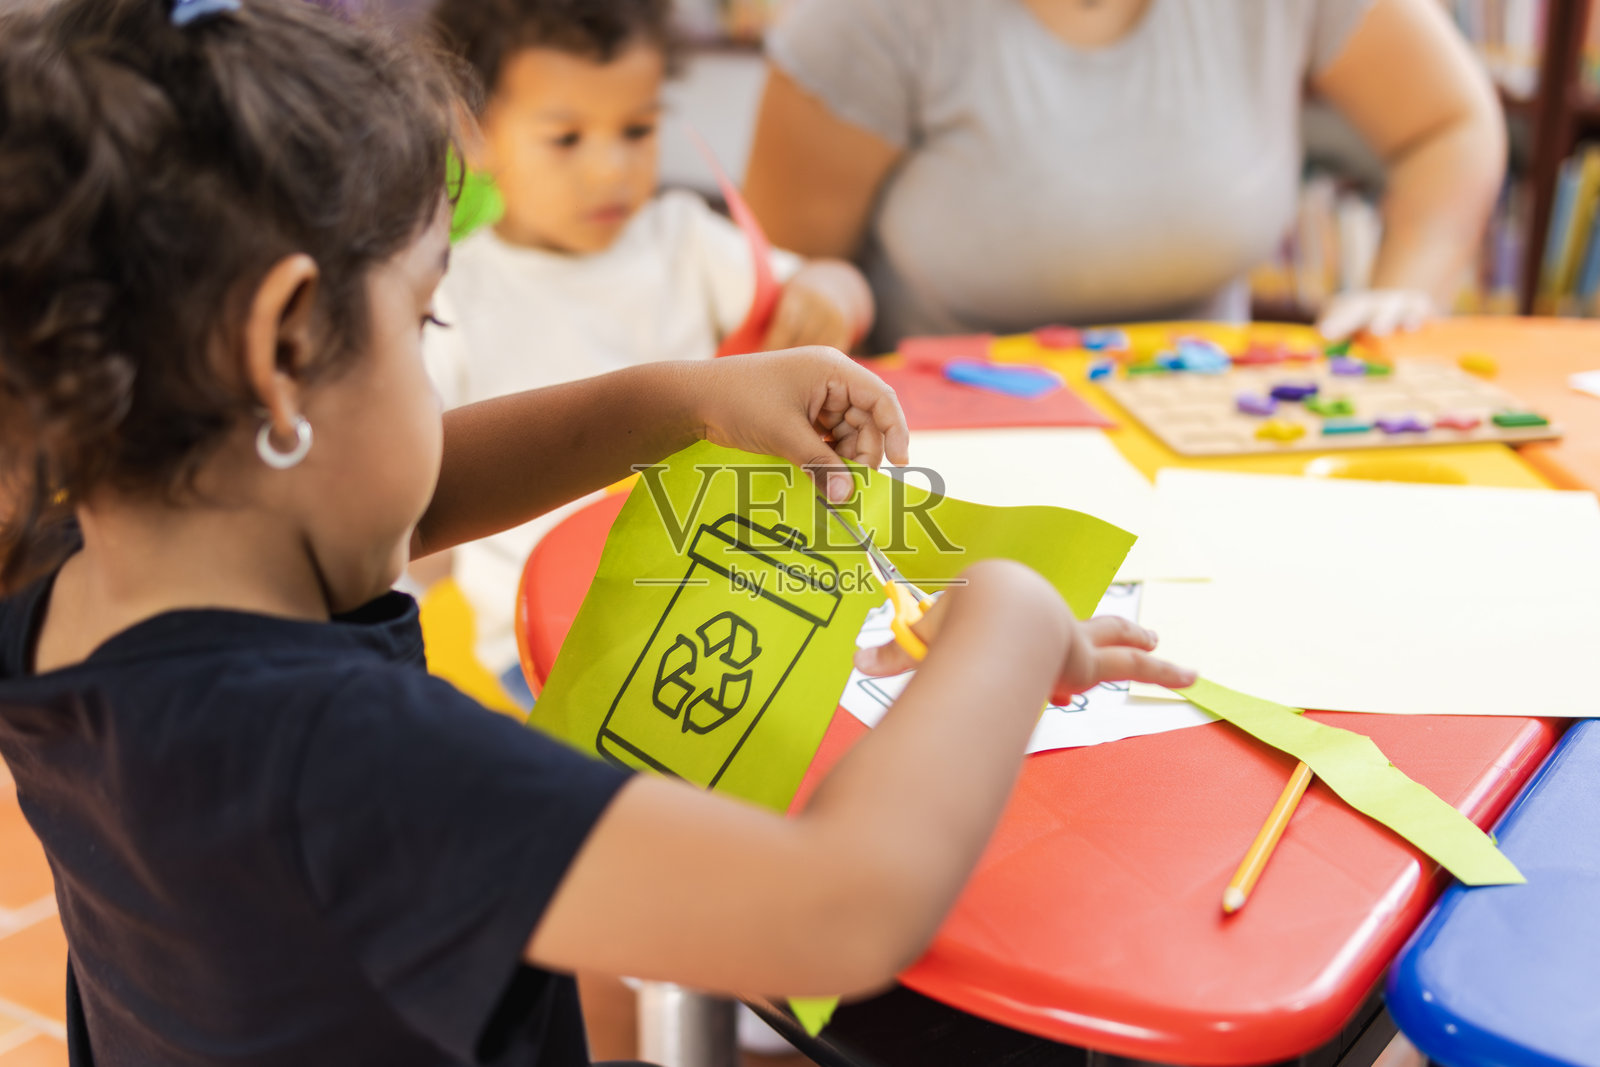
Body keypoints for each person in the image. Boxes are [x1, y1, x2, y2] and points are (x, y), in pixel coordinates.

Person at [0, 3, 1195, 1067]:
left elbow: (407, 489)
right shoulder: (346, 760)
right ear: (282, 350)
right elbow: (843, 905)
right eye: (428, 320)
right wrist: (1008, 617)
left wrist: (676, 403)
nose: (435, 364)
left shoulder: (70, 570)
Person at [424, 0, 875, 686]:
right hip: (551, 632)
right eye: (566, 138)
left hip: (722, 597)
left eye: (637, 129)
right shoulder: (448, 293)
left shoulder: (684, 238)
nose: (610, 168)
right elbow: (416, 493)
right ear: (473, 131)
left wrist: (832, 293)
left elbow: (826, 283)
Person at [744, 0, 1505, 349]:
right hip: (947, 452)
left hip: (1199, 432)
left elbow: (1449, 126)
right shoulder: (865, 22)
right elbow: (782, 287)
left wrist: (1400, 292)